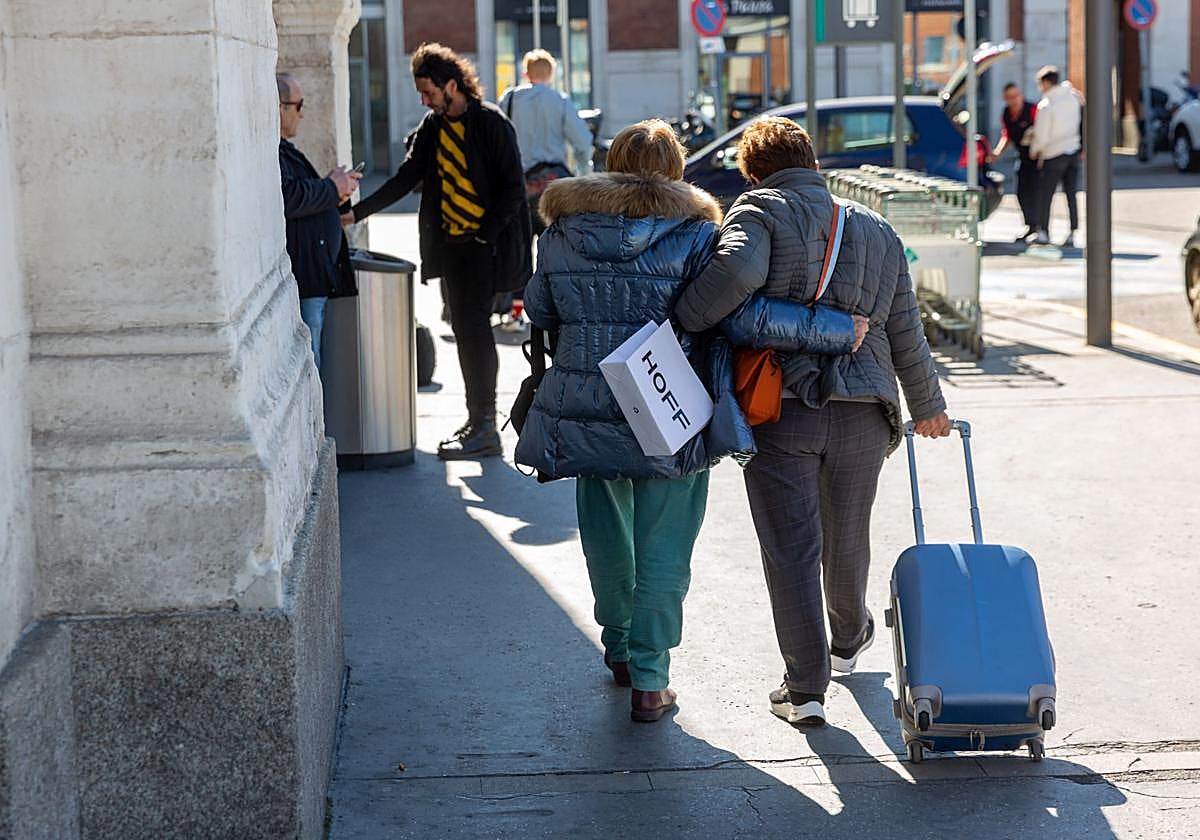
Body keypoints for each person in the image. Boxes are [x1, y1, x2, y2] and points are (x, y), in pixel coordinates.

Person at [515, 120, 860, 724]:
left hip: (585, 403)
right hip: (668, 405)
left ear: (610, 165)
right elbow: (732, 315)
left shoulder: (564, 228)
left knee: (604, 532)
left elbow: (541, 309)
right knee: (666, 544)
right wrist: (833, 330)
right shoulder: (699, 233)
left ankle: (618, 646)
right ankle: (651, 678)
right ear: (675, 170)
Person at [674, 117, 951, 726]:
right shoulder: (876, 227)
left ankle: (805, 690)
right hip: (866, 410)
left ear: (752, 171)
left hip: (785, 409)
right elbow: (906, 325)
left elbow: (732, 282)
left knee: (792, 548)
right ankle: (849, 637)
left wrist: (688, 314)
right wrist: (929, 406)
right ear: (814, 164)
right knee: (847, 531)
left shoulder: (758, 212)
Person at [345, 43, 531, 460]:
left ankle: (484, 427)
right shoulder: (434, 128)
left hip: (484, 251)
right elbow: (405, 178)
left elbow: (514, 191)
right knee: (465, 332)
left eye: (429, 92)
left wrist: (484, 235)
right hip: (452, 250)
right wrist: (354, 213)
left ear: (452, 84)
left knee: (476, 331)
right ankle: (477, 420)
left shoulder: (491, 125)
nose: (424, 101)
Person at [496, 49, 595, 330]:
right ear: (551, 74)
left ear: (525, 72)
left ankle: (516, 313)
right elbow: (582, 141)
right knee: (554, 246)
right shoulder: (560, 101)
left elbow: (499, 140)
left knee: (520, 247)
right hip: (554, 187)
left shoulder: (510, 99)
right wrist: (582, 175)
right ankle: (553, 309)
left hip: (520, 185)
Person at [278, 72, 360, 370]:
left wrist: (334, 191)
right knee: (310, 365)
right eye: (298, 105)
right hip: (306, 278)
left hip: (314, 278)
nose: (302, 113)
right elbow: (289, 196)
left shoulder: (284, 150)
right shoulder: (271, 151)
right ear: (279, 108)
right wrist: (330, 188)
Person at [1029, 66, 1082, 248]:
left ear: (1045, 83)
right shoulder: (1073, 96)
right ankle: (1073, 232)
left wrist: (1035, 149)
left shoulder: (1046, 104)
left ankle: (1043, 231)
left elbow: (1042, 134)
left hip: (1053, 153)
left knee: (1046, 195)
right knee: (1071, 194)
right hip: (1073, 150)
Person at [991, 82, 1039, 242]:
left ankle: (1038, 226)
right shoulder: (1006, 113)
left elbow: (1042, 130)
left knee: (1035, 192)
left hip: (1038, 156)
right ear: (1005, 99)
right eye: (1010, 97)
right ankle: (1030, 225)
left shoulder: (1032, 109)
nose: (1015, 100)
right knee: (1021, 192)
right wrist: (996, 153)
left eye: (1017, 96)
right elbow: (1007, 135)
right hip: (1023, 156)